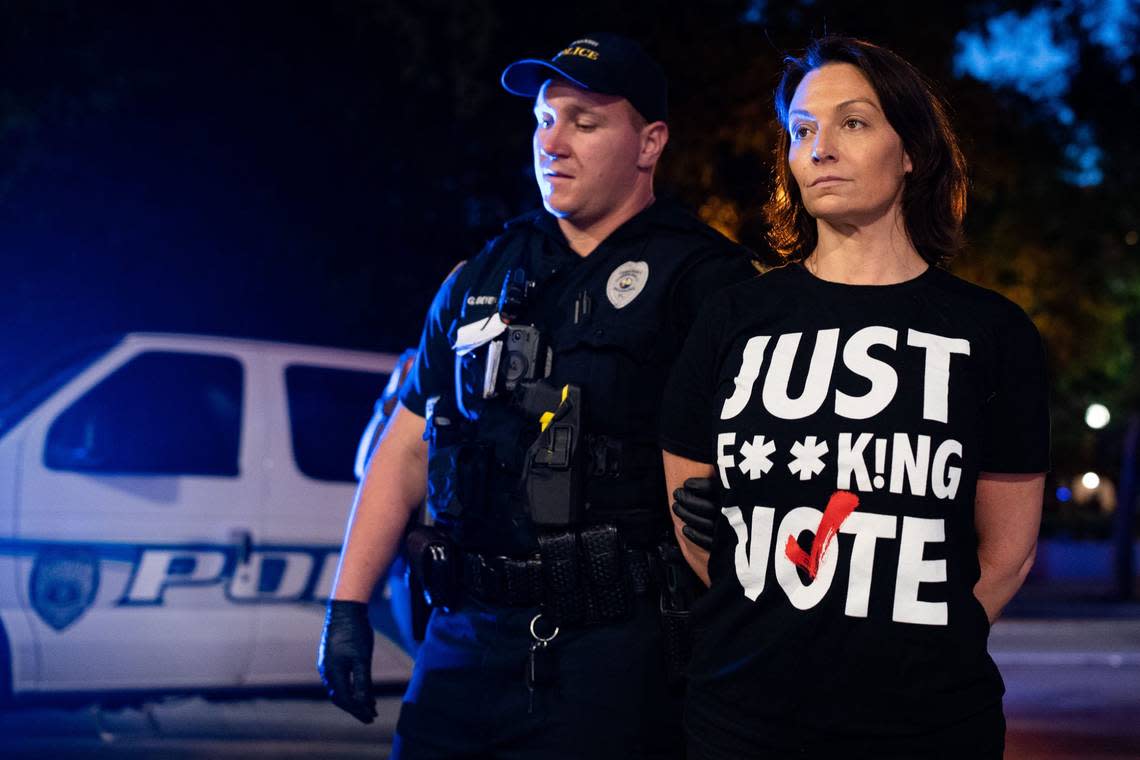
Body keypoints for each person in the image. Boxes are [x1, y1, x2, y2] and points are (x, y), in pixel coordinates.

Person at [319, 32, 757, 758]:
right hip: (464, 637)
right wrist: (346, 605)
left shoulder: (706, 282)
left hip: (617, 652)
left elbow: (768, 449)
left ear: (649, 142)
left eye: (584, 121)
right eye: (543, 120)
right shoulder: (478, 276)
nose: (552, 142)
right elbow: (405, 447)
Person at [662, 36, 1049, 759]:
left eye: (854, 122)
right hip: (743, 720)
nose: (821, 147)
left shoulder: (991, 331)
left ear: (913, 154)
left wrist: (925, 655)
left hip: (929, 727)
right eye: (803, 130)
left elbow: (1009, 554)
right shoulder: (732, 318)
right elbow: (693, 516)